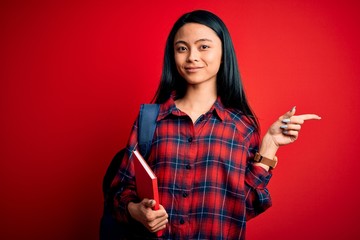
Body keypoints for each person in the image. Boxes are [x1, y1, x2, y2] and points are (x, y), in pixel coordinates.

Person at [109, 9, 321, 239]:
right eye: (182, 48)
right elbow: (120, 193)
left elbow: (244, 209)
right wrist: (137, 211)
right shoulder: (151, 119)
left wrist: (270, 145)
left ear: (223, 53)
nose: (191, 56)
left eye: (203, 46)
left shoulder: (241, 127)